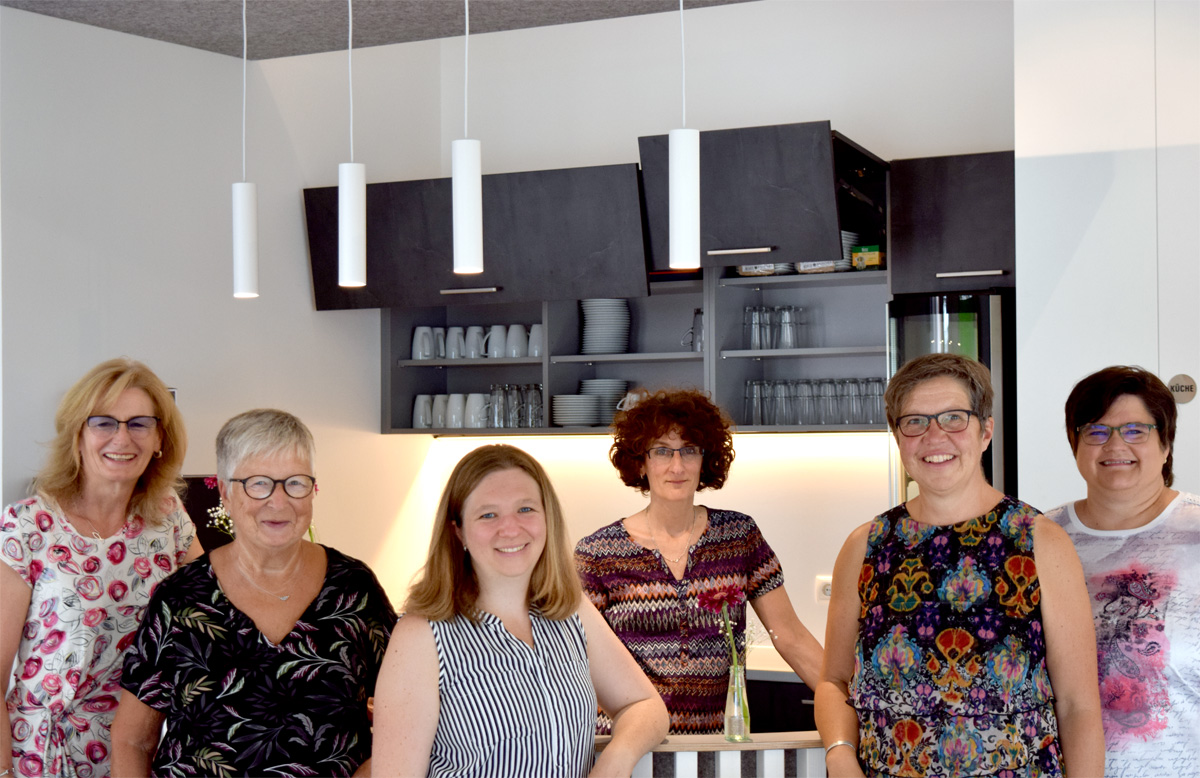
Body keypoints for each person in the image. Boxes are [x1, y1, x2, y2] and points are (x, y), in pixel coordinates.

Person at [816, 353, 1104, 777]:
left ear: (985, 431)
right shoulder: (865, 546)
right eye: (915, 421)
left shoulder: (1040, 541)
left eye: (954, 418)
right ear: (898, 437)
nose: (935, 436)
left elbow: (1078, 706)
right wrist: (840, 755)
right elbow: (834, 681)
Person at [110, 409, 396, 777]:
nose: (279, 502)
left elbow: (411, 716)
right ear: (226, 493)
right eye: (258, 484)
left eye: (295, 483)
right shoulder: (179, 599)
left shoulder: (354, 589)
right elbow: (132, 740)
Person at [372, 444, 667, 777]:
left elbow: (646, 706)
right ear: (458, 531)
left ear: (547, 518)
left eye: (525, 509)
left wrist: (616, 759)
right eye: (488, 515)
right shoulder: (421, 637)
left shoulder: (572, 612)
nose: (510, 528)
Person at [574, 388, 823, 734]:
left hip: (714, 744)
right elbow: (576, 661)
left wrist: (852, 703)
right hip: (627, 743)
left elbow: (790, 636)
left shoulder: (738, 536)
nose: (677, 466)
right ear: (640, 462)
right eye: (662, 451)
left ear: (706, 459)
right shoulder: (599, 552)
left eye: (689, 450)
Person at [0, 357, 199, 778]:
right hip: (38, 755)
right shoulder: (28, 524)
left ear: (160, 438)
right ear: (77, 435)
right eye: (103, 422)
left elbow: (218, 611)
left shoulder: (169, 519)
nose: (122, 437)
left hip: (136, 751)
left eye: (139, 423)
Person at [1044, 366, 1199, 777]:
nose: (1115, 445)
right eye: (1096, 431)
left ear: (1166, 444)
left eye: (1135, 430)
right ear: (1075, 444)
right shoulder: (1041, 539)